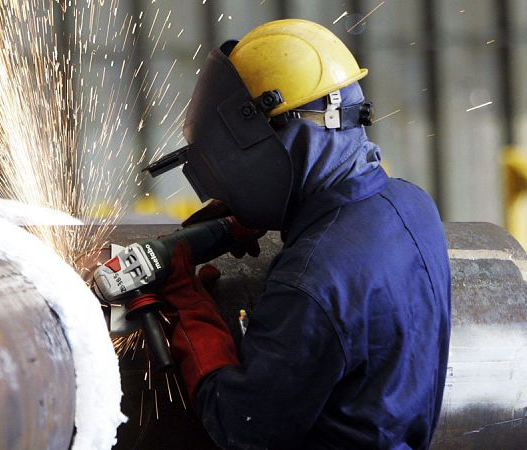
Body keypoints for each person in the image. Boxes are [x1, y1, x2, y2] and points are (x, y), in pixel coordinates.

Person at [151, 19, 451, 449]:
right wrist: (274, 212)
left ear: (275, 136)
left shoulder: (312, 281)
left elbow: (240, 425)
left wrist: (188, 304)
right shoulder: (414, 206)